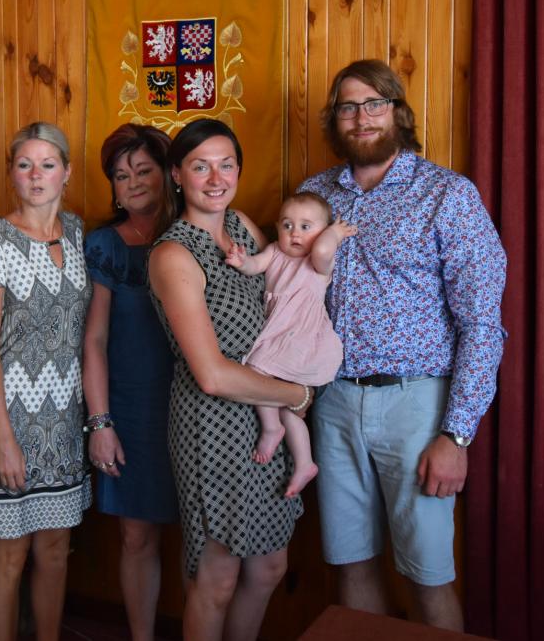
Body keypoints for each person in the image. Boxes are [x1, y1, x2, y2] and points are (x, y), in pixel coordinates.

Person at [300, 60, 506, 632]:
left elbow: (482, 325)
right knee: (351, 563)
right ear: (335, 118)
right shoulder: (315, 195)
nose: (361, 117)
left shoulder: (448, 195)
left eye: (375, 103)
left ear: (397, 112)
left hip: (418, 406)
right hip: (333, 402)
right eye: (348, 106)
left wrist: (456, 435)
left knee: (427, 573)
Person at [148, 118, 313, 641]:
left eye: (227, 165)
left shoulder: (241, 226)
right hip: (213, 424)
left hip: (267, 417)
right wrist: (298, 394)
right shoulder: (173, 254)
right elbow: (212, 375)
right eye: (201, 167)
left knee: (268, 567)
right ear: (177, 175)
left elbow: (289, 283)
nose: (216, 178)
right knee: (217, 577)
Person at [0, 122, 92, 641]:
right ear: (12, 174)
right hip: (8, 420)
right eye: (25, 165)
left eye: (47, 164)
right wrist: (2, 438)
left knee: (56, 551)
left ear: (67, 172)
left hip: (63, 421)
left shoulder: (77, 233)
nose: (36, 175)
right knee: (9, 556)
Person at [81, 123, 179, 641]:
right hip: (131, 410)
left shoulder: (199, 232)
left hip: (197, 408)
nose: (133, 182)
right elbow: (94, 341)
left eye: (143, 170)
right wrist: (101, 423)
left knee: (207, 539)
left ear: (168, 174)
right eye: (121, 176)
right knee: (137, 537)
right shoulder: (105, 245)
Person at [223, 192, 356, 498]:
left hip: (302, 339)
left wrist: (334, 233)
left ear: (321, 233)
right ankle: (305, 462)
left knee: (255, 373)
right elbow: (255, 265)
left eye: (306, 227)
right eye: (287, 225)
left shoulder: (318, 263)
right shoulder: (275, 251)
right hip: (280, 336)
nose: (295, 233)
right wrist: (242, 261)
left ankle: (271, 429)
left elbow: (323, 248)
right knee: (285, 408)